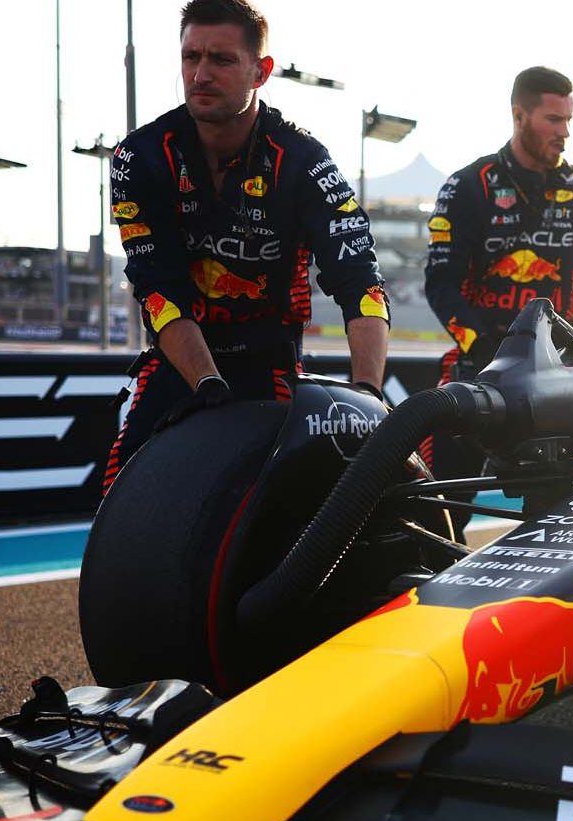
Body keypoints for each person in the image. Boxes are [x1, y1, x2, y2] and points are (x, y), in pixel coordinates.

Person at [104, 0, 389, 493]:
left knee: (291, 508)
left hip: (271, 364)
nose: (201, 74)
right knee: (120, 494)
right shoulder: (141, 155)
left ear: (261, 72)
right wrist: (207, 384)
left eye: (222, 59)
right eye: (191, 57)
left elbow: (360, 282)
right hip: (181, 364)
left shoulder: (302, 159)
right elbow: (159, 290)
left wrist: (368, 396)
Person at [424, 65, 573, 380]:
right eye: (554, 120)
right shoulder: (469, 185)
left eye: (568, 120)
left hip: (556, 366)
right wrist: (479, 345)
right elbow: (441, 284)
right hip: (480, 366)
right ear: (519, 116)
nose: (565, 132)